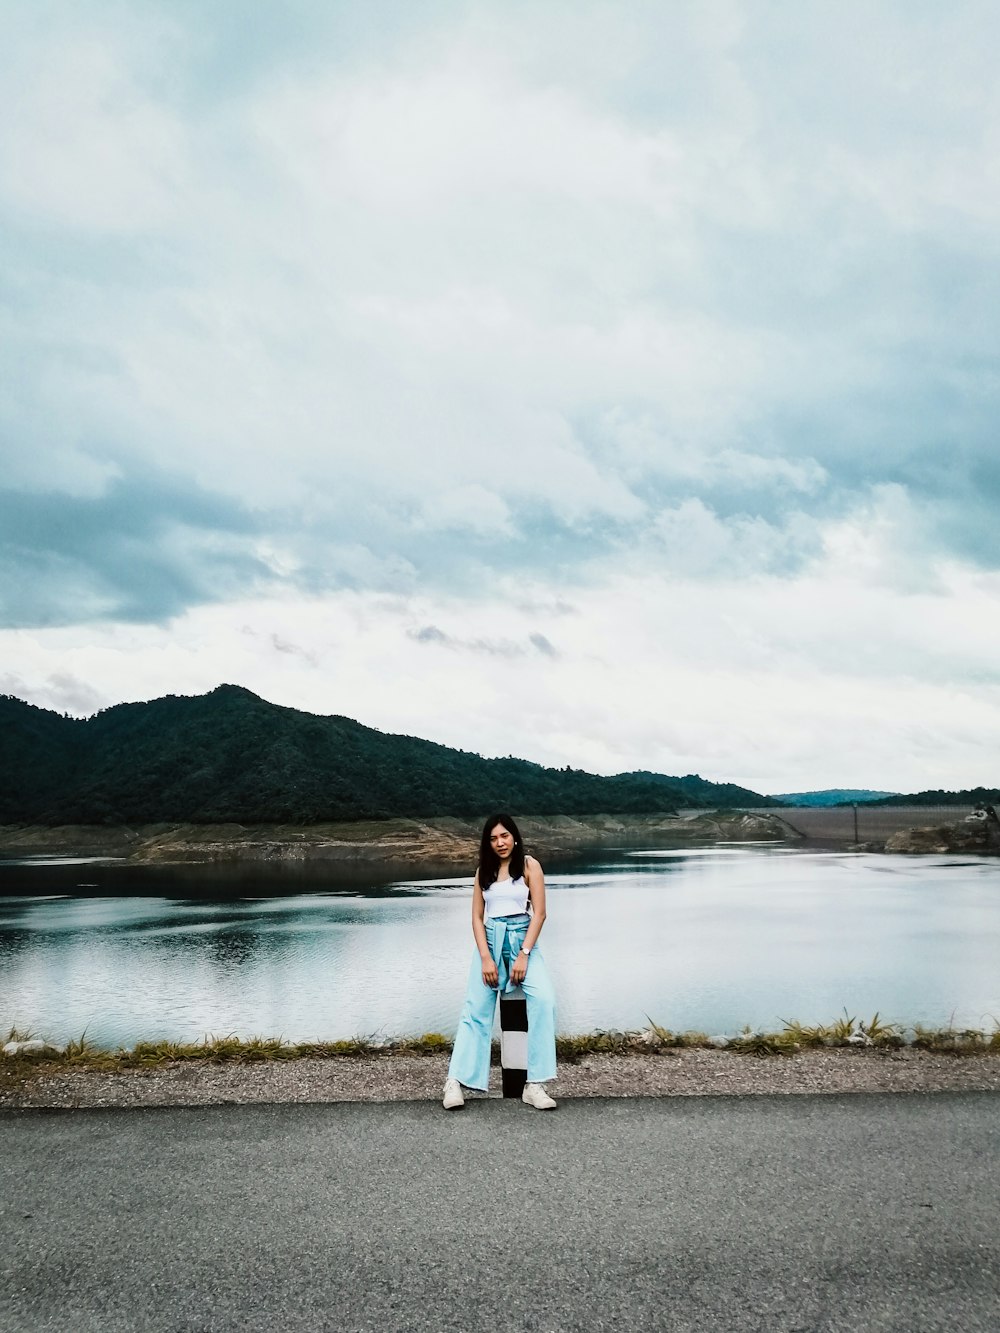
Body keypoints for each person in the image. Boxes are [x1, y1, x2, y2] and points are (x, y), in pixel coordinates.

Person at [443, 813, 557, 1110]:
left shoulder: (530, 866)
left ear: (514, 837)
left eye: (504, 836)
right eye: (493, 838)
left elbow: (540, 914)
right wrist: (485, 958)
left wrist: (524, 954)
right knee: (475, 1010)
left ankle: (535, 1084)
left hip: (522, 939)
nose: (500, 843)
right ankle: (455, 1082)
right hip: (491, 940)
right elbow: (477, 918)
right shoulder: (484, 871)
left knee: (544, 1000)